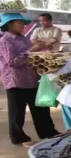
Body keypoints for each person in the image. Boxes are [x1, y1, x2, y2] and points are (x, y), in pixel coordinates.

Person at [0, 13, 59, 147]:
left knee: (40, 108)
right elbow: (12, 62)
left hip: (32, 78)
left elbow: (32, 54)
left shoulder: (24, 39)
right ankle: (18, 137)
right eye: (19, 23)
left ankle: (48, 132)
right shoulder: (5, 41)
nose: (23, 26)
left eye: (23, 23)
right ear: (9, 25)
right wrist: (31, 51)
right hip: (16, 81)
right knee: (17, 112)